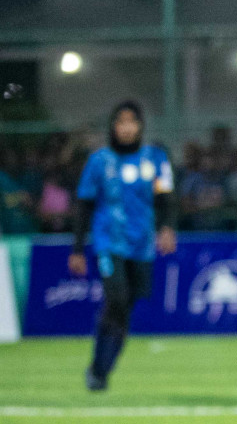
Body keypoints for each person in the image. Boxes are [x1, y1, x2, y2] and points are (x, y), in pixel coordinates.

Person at [69, 101, 176, 391]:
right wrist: (77, 248)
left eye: (132, 122)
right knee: (116, 298)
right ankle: (99, 368)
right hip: (109, 242)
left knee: (126, 307)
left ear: (140, 125)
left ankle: (101, 368)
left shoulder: (156, 158)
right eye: (121, 122)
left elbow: (166, 198)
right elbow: (84, 205)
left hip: (142, 244)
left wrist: (167, 227)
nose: (126, 127)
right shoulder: (99, 161)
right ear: (113, 126)